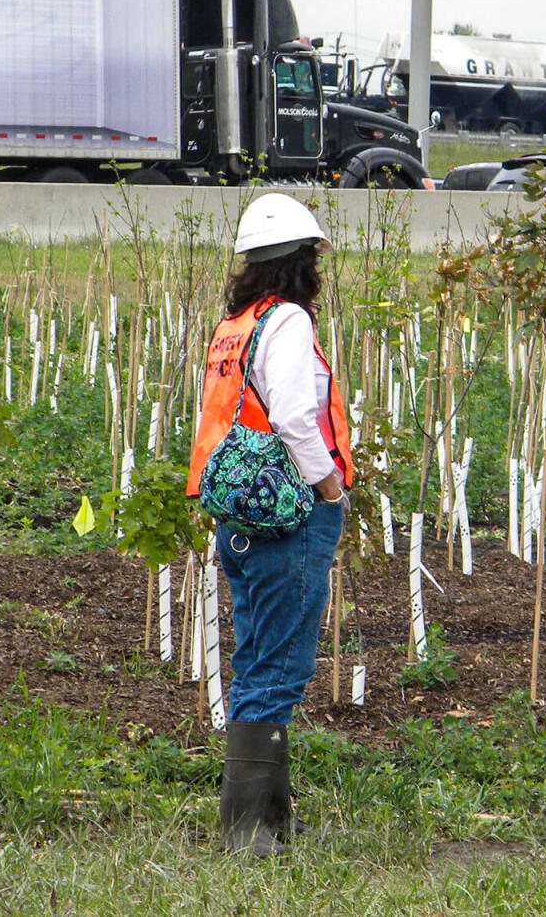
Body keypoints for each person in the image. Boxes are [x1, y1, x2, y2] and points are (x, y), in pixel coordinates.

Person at [186, 192, 354, 856]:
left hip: (241, 518)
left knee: (258, 661)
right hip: (287, 517)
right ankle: (252, 835)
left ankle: (263, 824)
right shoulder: (286, 323)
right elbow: (290, 416)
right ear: (300, 262)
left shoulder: (237, 325)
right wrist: (330, 488)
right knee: (278, 669)